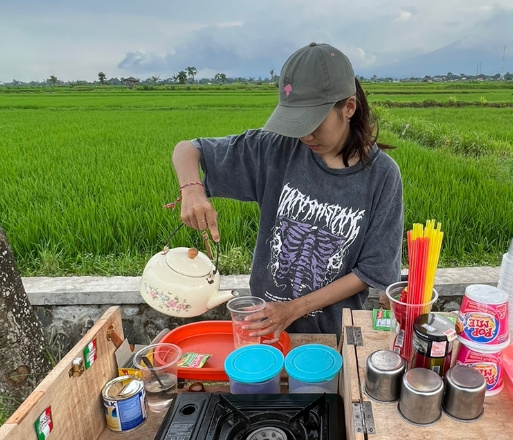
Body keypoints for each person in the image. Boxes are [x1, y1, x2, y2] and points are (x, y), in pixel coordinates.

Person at [171, 42, 404, 343]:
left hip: (330, 340)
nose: (305, 135)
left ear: (348, 107)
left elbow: (372, 270)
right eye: (296, 123)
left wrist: (295, 308)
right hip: (264, 328)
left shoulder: (381, 176)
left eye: (313, 122)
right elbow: (188, 149)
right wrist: (192, 190)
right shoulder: (277, 148)